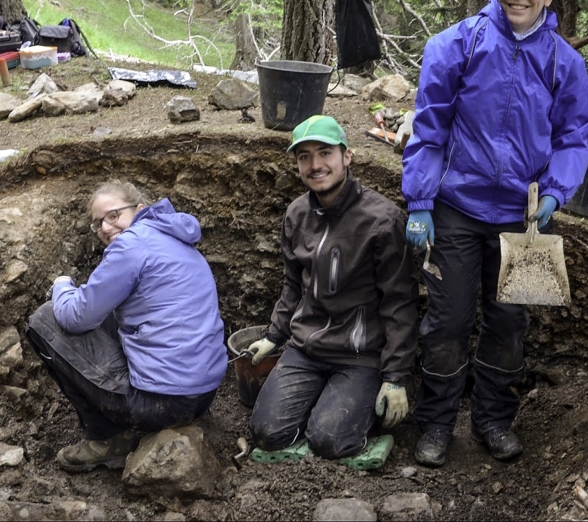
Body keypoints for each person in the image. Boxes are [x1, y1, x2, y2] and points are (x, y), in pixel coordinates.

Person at [401, 0, 588, 467]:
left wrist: (557, 190)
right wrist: (420, 200)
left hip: (523, 216)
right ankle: (436, 425)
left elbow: (574, 137)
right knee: (447, 322)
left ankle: (492, 421)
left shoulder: (565, 63)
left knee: (509, 324)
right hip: (456, 208)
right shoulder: (456, 45)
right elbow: (430, 126)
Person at [247, 115, 419, 467]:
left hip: (361, 355)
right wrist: (275, 336)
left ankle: (348, 414)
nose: (316, 165)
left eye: (325, 153)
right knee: (266, 433)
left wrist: (396, 378)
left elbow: (400, 303)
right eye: (304, 157)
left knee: (330, 440)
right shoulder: (297, 215)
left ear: (347, 157)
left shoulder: (382, 221)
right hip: (307, 349)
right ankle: (318, 405)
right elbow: (293, 285)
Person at [25, 181, 227, 472]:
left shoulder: (131, 245)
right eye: (97, 223)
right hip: (203, 393)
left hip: (161, 404)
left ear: (139, 209)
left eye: (113, 215)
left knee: (45, 318)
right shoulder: (173, 236)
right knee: (109, 311)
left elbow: (76, 316)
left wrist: (61, 286)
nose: (105, 228)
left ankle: (107, 439)